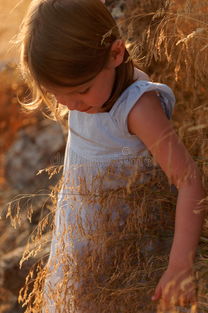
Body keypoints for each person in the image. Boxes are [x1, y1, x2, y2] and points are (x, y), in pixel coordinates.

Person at [17, 0, 205, 312]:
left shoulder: (136, 108)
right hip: (82, 242)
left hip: (123, 250)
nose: (70, 104)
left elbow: (190, 183)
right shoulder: (92, 91)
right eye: (57, 95)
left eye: (80, 91)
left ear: (116, 54)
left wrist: (179, 266)